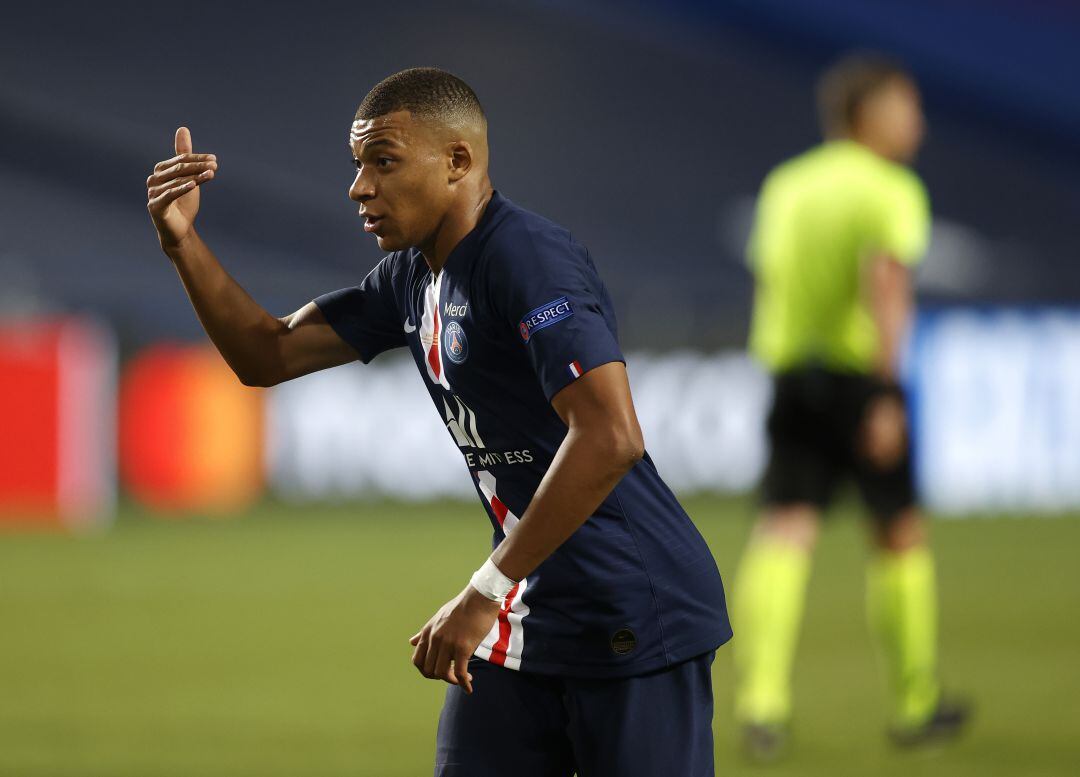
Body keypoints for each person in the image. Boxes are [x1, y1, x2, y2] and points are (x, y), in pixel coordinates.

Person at [146, 67, 731, 776]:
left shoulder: (526, 258)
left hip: (632, 609)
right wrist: (184, 242)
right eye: (358, 165)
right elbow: (266, 353)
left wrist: (483, 591)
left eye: (383, 162)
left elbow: (610, 436)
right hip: (526, 613)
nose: (360, 187)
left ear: (458, 162)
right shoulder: (409, 278)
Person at [734, 53, 969, 759]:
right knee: (897, 532)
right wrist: (887, 394)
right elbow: (886, 285)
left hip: (788, 372)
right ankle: (915, 700)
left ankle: (762, 702)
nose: (917, 121)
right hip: (860, 378)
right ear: (869, 115)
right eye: (907, 106)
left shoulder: (787, 185)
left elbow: (771, 272)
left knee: (784, 528)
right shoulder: (889, 188)